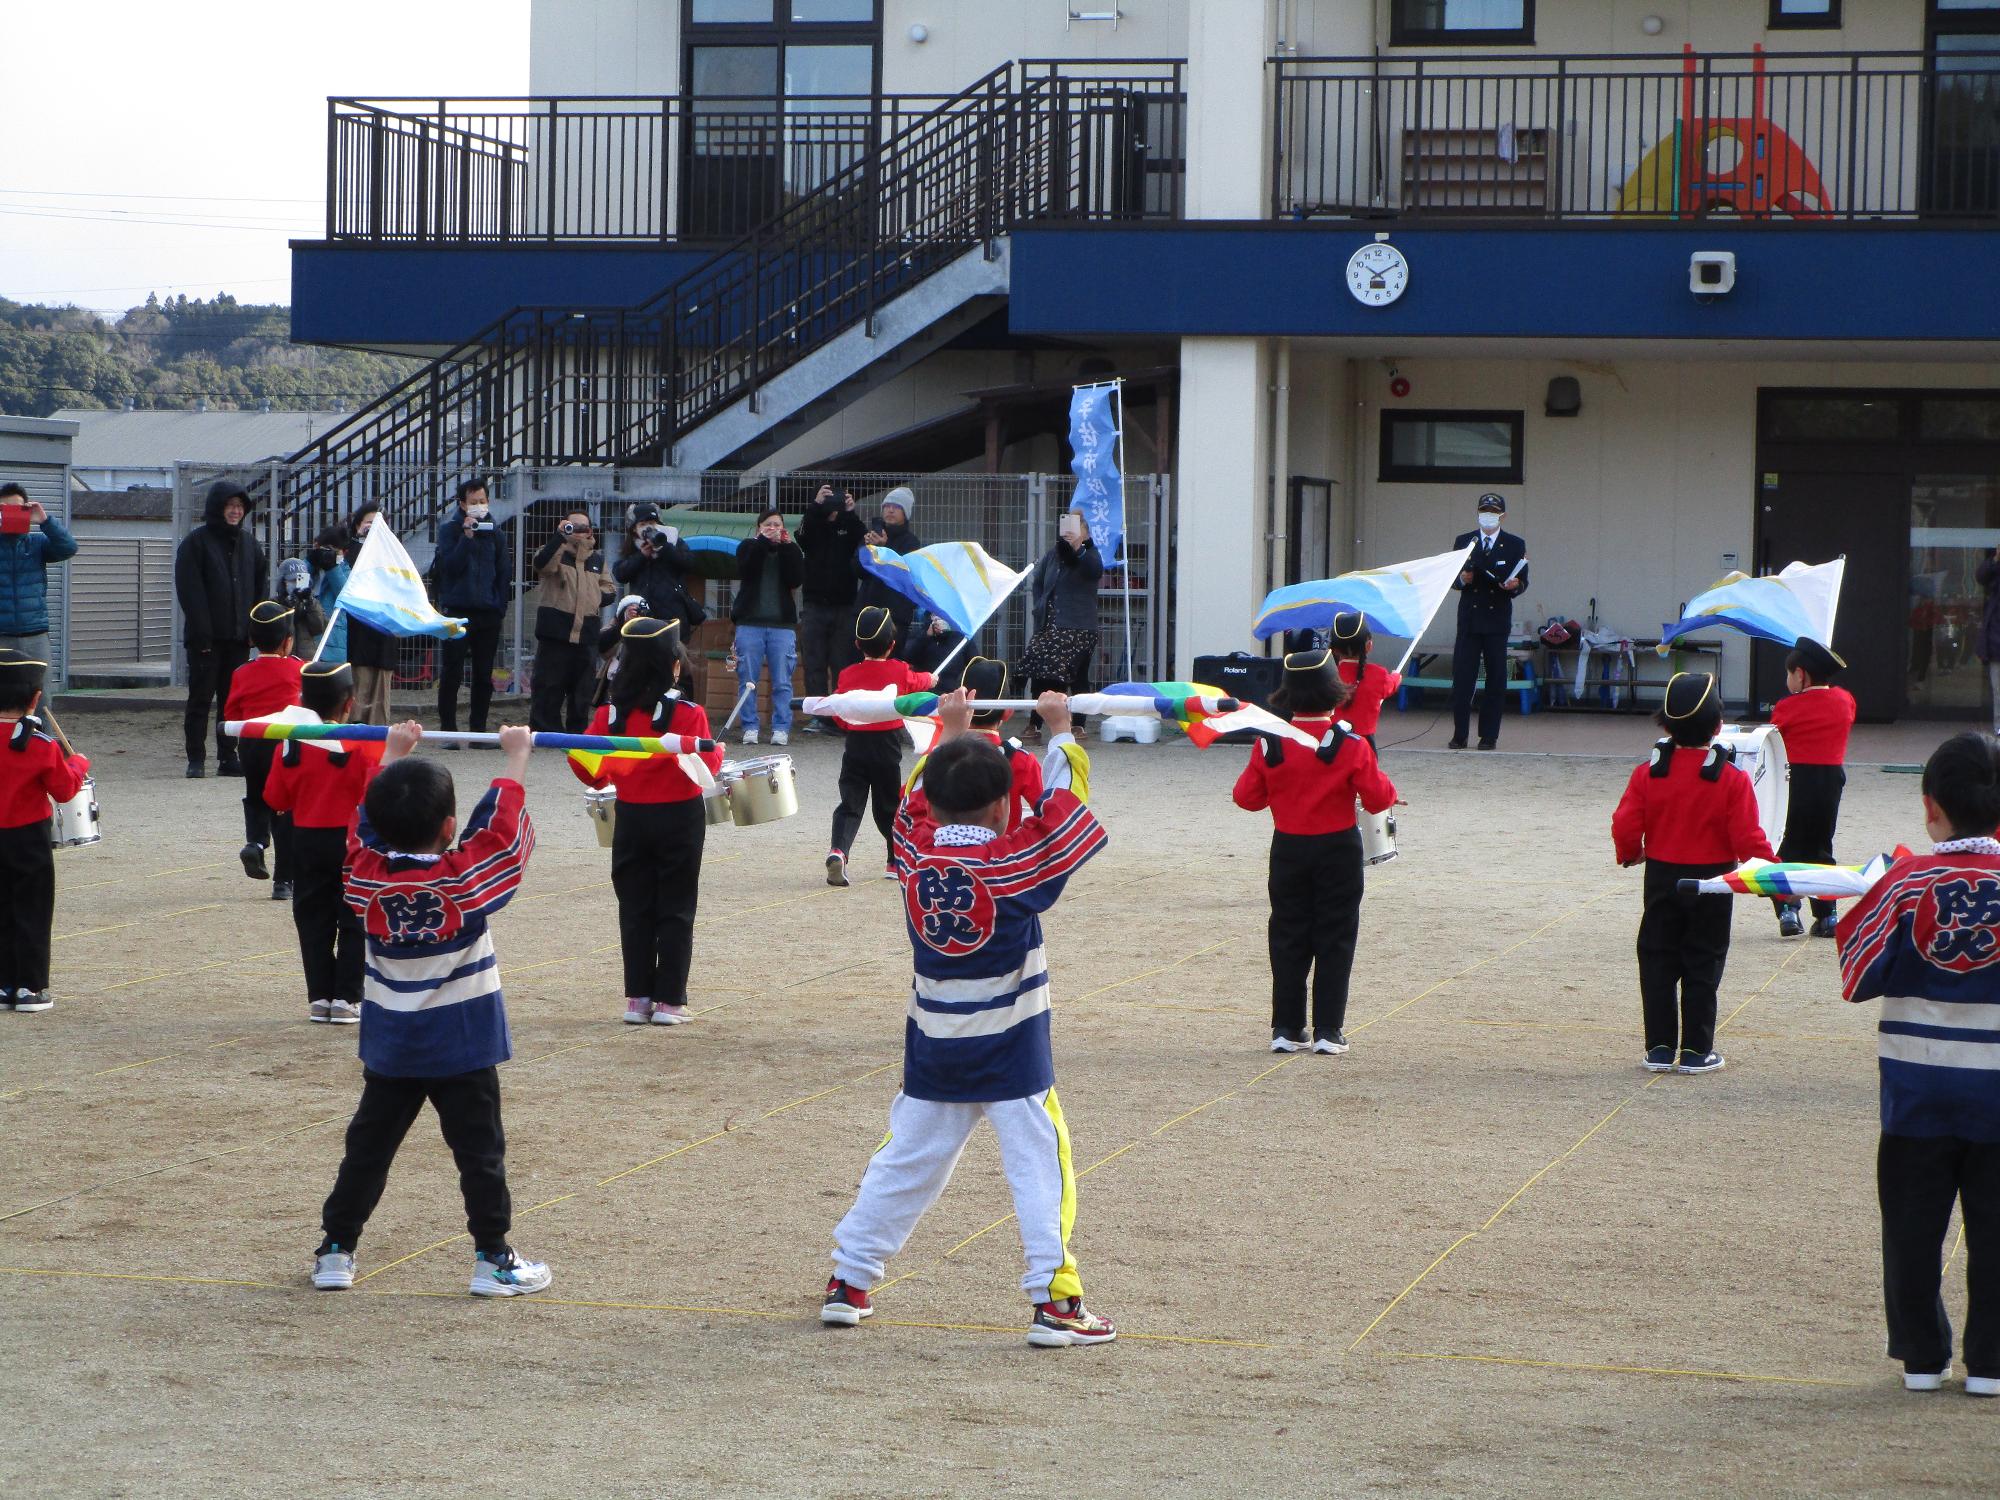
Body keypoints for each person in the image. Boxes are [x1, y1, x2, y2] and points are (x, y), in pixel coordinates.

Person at [821, 687, 1117, 1348]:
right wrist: (1061, 731)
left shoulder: (912, 851)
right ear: (1005, 806)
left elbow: (914, 803)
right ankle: (1056, 1300)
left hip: (934, 1042)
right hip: (1011, 1049)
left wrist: (947, 733)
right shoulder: (1014, 865)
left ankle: (850, 1279)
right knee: (1041, 1169)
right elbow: (1065, 809)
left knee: (905, 1163)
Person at [312, 721, 551, 1299]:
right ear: (449, 826)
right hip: (462, 1043)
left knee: (367, 1150)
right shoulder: (465, 881)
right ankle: (493, 1259)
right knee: (480, 1154)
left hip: (393, 1043)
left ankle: (336, 1250)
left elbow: (362, 830)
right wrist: (515, 758)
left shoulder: (364, 879)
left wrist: (391, 756)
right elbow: (498, 836)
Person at [1836, 732, 2000, 1397]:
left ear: (1931, 806)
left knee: (1911, 1228)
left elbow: (1857, 972)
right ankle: (1992, 1362)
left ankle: (1922, 1357)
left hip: (1917, 1089)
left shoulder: (1904, 883)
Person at [1231, 649, 1398, 1056]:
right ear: (1334, 692)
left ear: (1287, 694)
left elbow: (1246, 798)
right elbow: (1379, 799)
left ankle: (1287, 1027)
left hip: (1288, 848)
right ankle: (1328, 1029)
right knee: (1336, 936)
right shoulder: (1352, 743)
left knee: (1287, 935)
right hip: (1338, 848)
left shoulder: (1269, 743)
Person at [1611, 672, 1776, 1075]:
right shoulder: (1732, 779)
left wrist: (1631, 854)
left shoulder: (1648, 773)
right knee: (1703, 962)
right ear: (1718, 727)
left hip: (1661, 878)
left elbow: (1624, 825)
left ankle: (1659, 1048)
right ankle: (1696, 1051)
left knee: (1657, 959)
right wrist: (1774, 876)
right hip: (1713, 883)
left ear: (1665, 726)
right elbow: (1748, 838)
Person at [570, 616, 723, 1026]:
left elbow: (586, 768)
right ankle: (670, 1001)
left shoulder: (609, 715)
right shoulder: (689, 713)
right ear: (674, 665)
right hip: (679, 818)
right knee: (676, 908)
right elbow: (706, 770)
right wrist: (718, 752)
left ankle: (637, 999)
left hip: (631, 818)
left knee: (635, 908)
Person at [262, 662, 383, 1025]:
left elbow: (275, 798)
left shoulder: (290, 743)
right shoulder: (364, 741)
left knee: (311, 918)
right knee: (354, 916)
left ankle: (319, 997)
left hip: (306, 839)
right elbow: (378, 792)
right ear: (349, 703)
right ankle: (347, 997)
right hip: (351, 841)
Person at [0, 647, 89, 1014]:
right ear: (35, 699)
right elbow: (65, 790)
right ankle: (30, 987)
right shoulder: (40, 745)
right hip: (28, 837)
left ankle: (4, 983)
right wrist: (78, 764)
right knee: (33, 910)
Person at [824, 605, 936, 888]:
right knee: (888, 806)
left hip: (855, 746)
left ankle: (839, 850)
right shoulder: (899, 669)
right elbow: (917, 682)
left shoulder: (847, 674)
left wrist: (851, 724)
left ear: (857, 644)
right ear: (892, 644)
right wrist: (931, 679)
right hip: (887, 746)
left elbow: (839, 710)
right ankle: (894, 860)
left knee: (850, 803)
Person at [224, 600, 318, 902]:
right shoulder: (299, 669)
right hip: (285, 745)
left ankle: (255, 843)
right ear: (288, 641)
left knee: (256, 798)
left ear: (252, 640)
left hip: (251, 744)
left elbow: (232, 713)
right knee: (285, 811)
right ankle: (283, 880)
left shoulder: (241, 672)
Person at [174, 478, 266, 778]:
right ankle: (196, 758)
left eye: (240, 506)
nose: (235, 511)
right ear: (217, 508)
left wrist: (255, 629)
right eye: (230, 506)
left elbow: (260, 589)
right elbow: (190, 592)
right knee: (200, 699)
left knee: (232, 701)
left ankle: (228, 756)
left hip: (239, 639)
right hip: (205, 640)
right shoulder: (195, 543)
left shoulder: (250, 545)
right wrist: (202, 634)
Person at [1769, 637, 1857, 939]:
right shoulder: (1845, 701)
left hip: (1794, 781)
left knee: (1788, 846)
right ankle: (1827, 915)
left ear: (1800, 674)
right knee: (1821, 846)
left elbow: (1775, 737)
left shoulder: (1786, 707)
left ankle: (1788, 910)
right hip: (1830, 781)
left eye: (1789, 673)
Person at [1448, 493, 1527, 751]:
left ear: (1503, 515)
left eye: (1493, 512)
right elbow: (1451, 578)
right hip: (1470, 619)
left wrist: (1515, 585)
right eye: (1484, 511)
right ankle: (1460, 734)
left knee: (1496, 679)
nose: (1488, 516)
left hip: (1497, 619)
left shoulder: (1514, 544)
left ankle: (1489, 735)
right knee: (1463, 677)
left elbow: (1523, 580)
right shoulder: (1465, 541)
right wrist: (1462, 580)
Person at [433, 478, 511, 737]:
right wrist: (466, 538)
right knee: (452, 671)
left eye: (483, 501)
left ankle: (478, 730)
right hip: (457, 610)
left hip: (488, 613)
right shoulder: (450, 530)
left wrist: (500, 607)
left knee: (483, 674)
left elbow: (503, 572)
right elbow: (449, 568)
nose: (479, 506)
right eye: (473, 502)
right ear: (462, 504)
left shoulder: (496, 532)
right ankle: (448, 729)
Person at [1019, 510, 1103, 744]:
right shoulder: (1053, 555)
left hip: (1079, 627)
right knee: (1039, 671)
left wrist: (1078, 547)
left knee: (1076, 675)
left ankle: (1077, 724)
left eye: (1076, 528)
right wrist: (1040, 606)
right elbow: (1038, 582)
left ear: (1086, 533)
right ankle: (1034, 723)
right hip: (1050, 625)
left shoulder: (1090, 554)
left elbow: (1094, 571)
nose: (1069, 532)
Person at [530, 511, 616, 733]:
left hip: (586, 635)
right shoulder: (552, 551)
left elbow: (610, 589)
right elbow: (542, 565)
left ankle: (577, 735)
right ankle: (545, 734)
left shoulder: (597, 559)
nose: (578, 532)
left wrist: (591, 595)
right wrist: (559, 538)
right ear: (564, 526)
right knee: (548, 686)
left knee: (582, 692)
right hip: (555, 633)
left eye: (583, 528)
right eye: (572, 526)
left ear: (590, 531)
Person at [937, 655, 1041, 831]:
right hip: (1005, 847)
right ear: (1007, 712)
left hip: (945, 846)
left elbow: (912, 801)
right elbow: (1046, 811)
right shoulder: (1022, 761)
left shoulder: (940, 756)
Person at [731, 507, 804, 747]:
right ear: (758, 528)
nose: (773, 529)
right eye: (768, 525)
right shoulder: (748, 546)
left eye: (777, 525)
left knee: (782, 680)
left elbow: (795, 579)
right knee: (747, 679)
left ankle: (781, 728)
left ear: (783, 528)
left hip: (782, 626)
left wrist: (787, 548)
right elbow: (746, 570)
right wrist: (763, 542)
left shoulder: (791, 550)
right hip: (749, 623)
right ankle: (750, 727)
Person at [797, 484, 866, 734]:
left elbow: (862, 538)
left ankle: (840, 716)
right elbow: (802, 536)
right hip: (814, 605)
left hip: (844, 605)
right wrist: (816, 507)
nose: (832, 504)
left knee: (842, 663)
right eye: (828, 499)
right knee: (814, 661)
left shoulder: (848, 525)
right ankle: (818, 716)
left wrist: (850, 512)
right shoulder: (814, 524)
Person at [0, 483, 78, 657]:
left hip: (35, 633)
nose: (11, 512)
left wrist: (45, 521)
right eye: (5, 509)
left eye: (17, 508)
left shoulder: (37, 543)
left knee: (39, 675)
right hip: (1, 634)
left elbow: (69, 548)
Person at [340, 507, 397, 725]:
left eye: (379, 522)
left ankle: (378, 738)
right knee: (358, 694)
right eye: (368, 522)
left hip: (384, 632)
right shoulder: (348, 550)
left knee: (380, 701)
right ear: (358, 525)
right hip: (358, 633)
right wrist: (360, 541)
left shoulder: (392, 552)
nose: (373, 527)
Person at [850, 487, 921, 654]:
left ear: (905, 513)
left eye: (896, 507)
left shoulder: (911, 542)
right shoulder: (871, 537)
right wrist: (868, 549)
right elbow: (858, 570)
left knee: (890, 661)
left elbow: (900, 575)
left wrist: (883, 549)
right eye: (887, 506)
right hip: (867, 612)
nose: (890, 510)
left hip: (895, 616)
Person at [611, 502, 702, 628]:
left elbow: (689, 562)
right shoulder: (632, 548)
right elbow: (620, 574)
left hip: (673, 613)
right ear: (634, 528)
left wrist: (665, 548)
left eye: (652, 523)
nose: (648, 527)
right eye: (642, 524)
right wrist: (642, 556)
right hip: (643, 612)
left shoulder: (673, 541)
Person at [1326, 611, 1403, 751]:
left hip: (1332, 742)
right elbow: (1391, 684)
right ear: (1369, 645)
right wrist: (1396, 676)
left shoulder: (1327, 675)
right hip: (1365, 744)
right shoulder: (1378, 674)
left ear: (1334, 649)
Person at [306, 523, 352, 665]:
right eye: (325, 549)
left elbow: (344, 594)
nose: (328, 554)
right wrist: (310, 562)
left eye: (333, 551)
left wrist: (332, 567)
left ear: (343, 552)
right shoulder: (311, 567)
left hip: (332, 642)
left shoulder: (346, 571)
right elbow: (296, 584)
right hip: (306, 641)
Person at [1977, 547, 2000, 736]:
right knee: (1998, 687)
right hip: (1996, 642)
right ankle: (1999, 725)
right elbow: (1982, 576)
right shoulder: (1995, 570)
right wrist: (1996, 559)